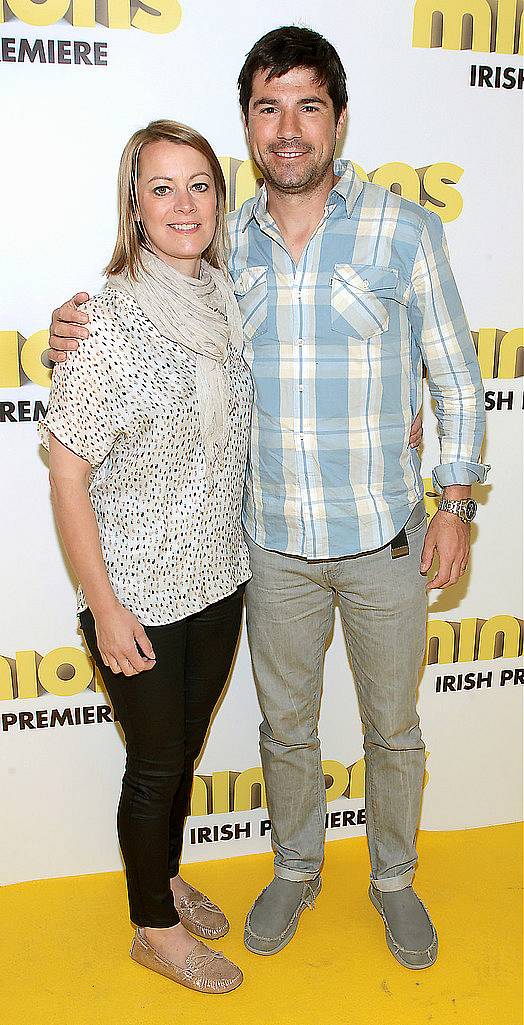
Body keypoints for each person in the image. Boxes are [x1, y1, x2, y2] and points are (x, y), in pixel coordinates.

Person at [48, 26, 488, 971]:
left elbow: (455, 376)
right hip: (270, 549)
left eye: (308, 106)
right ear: (247, 122)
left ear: (337, 117)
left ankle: (395, 879)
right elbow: (139, 310)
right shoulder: (222, 247)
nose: (288, 129)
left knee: (394, 729)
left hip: (385, 543)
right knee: (286, 728)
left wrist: (456, 501)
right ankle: (294, 868)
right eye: (266, 107)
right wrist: (67, 329)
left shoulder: (404, 229)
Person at [39, 120, 253, 994]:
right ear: (134, 203)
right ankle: (152, 929)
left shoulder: (228, 303)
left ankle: (159, 876)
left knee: (182, 749)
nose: (182, 204)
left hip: (218, 577)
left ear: (218, 199)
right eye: (161, 186)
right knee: (156, 762)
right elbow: (66, 474)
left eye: (198, 184)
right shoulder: (102, 324)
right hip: (136, 594)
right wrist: (106, 604)